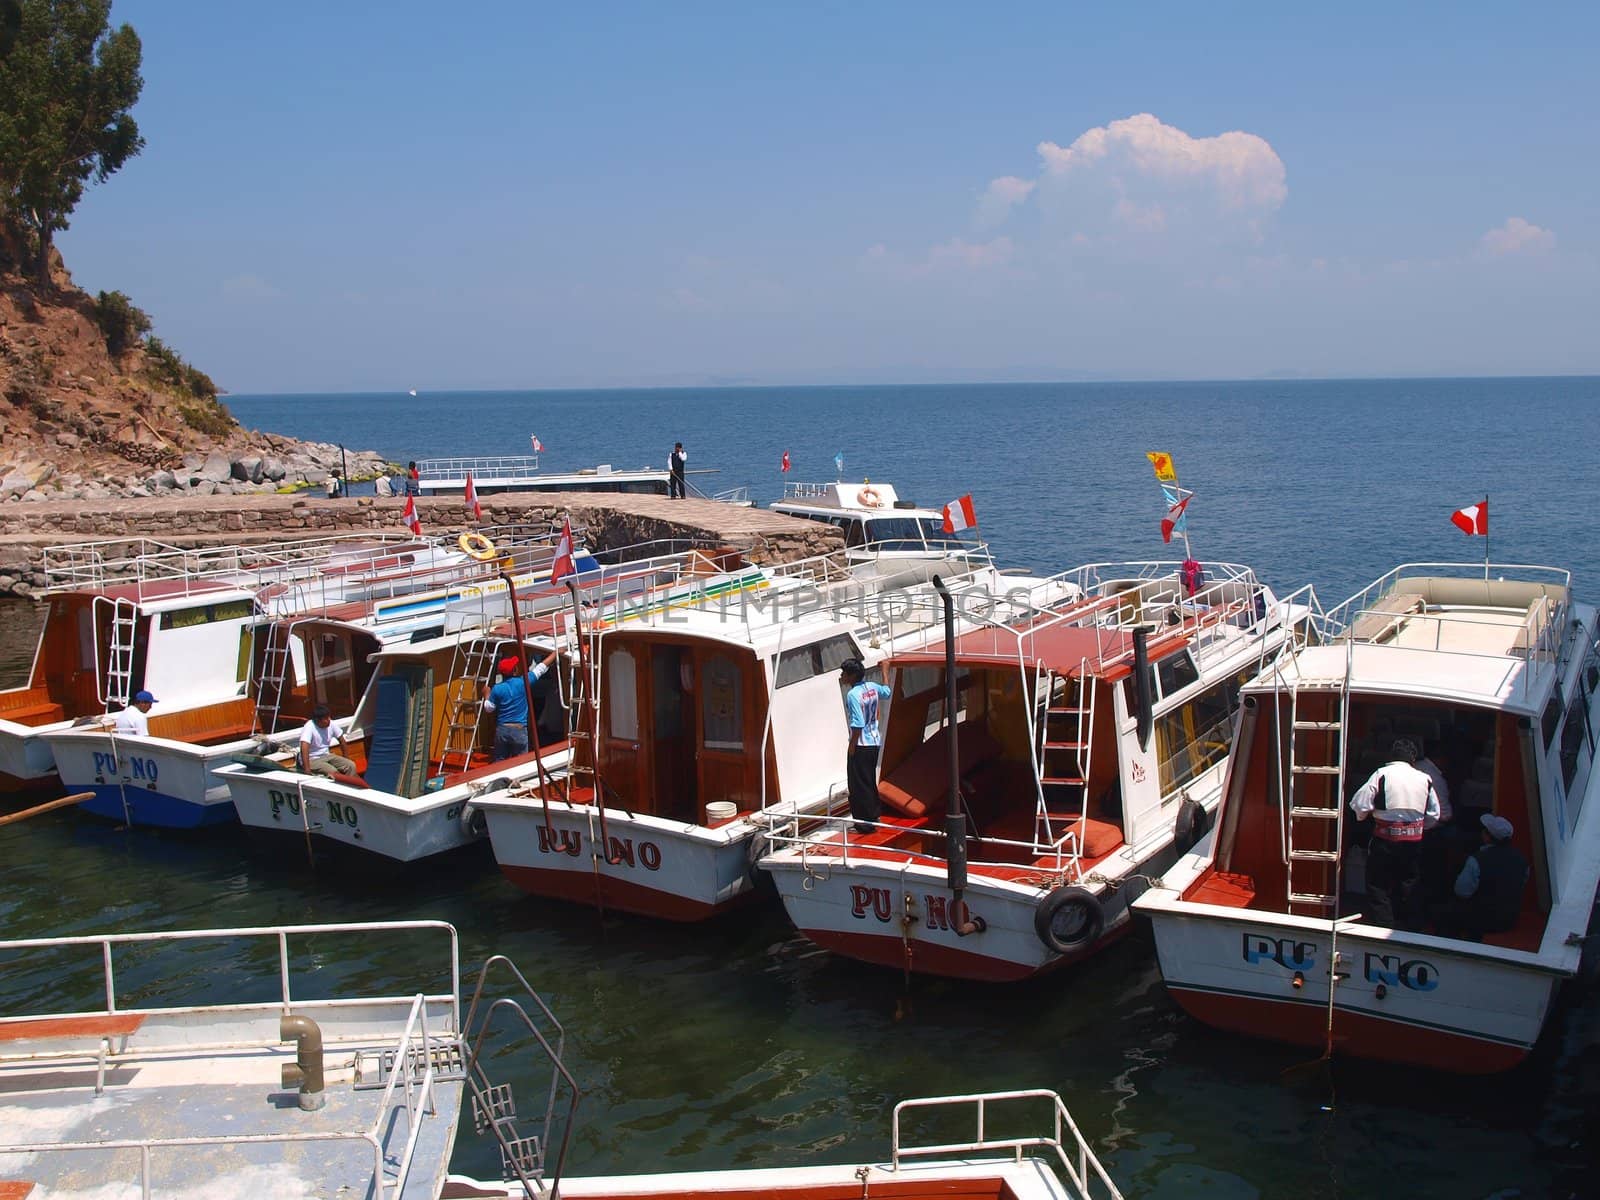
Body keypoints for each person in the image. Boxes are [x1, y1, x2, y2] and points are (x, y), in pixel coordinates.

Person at [1348, 736, 1440, 930]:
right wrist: (1417, 827)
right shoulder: (1425, 779)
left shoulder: (1382, 773)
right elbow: (1434, 814)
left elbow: (1359, 804)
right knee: (1409, 883)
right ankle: (1412, 928)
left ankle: (1384, 926)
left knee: (1378, 885)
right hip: (1413, 842)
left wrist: (1364, 817)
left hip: (1385, 840)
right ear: (1413, 759)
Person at [1441, 813, 1529, 940]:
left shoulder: (1476, 860)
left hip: (1480, 922)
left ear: (1488, 836)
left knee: (1444, 913)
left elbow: (1461, 892)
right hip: (1510, 919)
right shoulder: (1522, 860)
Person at [840, 658, 892, 835]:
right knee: (869, 780)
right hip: (874, 741)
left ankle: (864, 824)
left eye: (844, 673)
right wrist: (885, 670)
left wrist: (852, 745)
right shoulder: (872, 687)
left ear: (852, 675)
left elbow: (858, 723)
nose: (842, 676)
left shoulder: (853, 695)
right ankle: (874, 815)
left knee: (857, 785)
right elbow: (886, 691)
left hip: (861, 744)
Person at [482, 649, 560, 761]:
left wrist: (486, 694)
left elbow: (489, 708)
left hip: (502, 730)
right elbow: (541, 668)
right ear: (515, 670)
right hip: (519, 730)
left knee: (499, 762)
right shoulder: (523, 683)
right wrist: (555, 653)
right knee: (521, 762)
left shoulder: (497, 688)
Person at [299, 704, 357, 778]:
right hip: (312, 759)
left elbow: (342, 740)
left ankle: (351, 785)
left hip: (326, 755)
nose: (329, 720)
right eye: (326, 718)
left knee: (351, 765)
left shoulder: (331, 724)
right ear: (317, 720)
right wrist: (307, 769)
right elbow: (304, 747)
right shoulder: (309, 727)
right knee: (333, 771)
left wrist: (346, 758)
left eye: (329, 717)